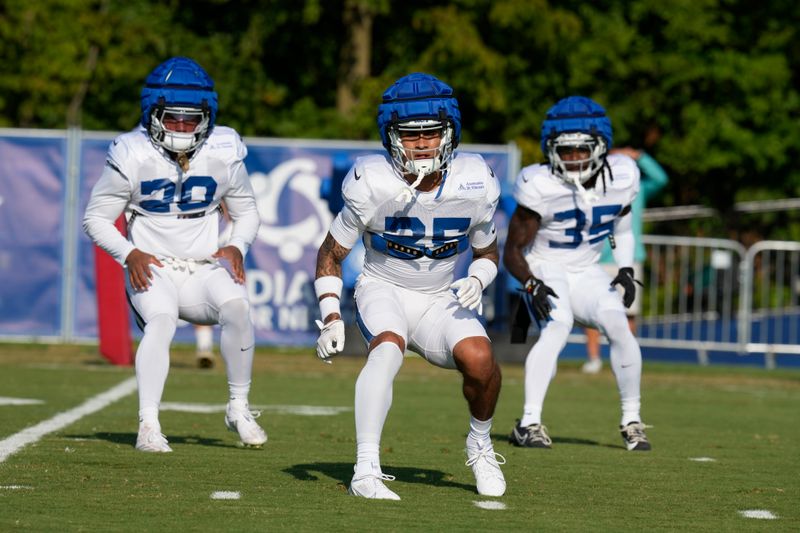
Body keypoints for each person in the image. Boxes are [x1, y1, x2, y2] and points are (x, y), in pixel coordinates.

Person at [314, 73, 506, 499]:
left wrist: (478, 277)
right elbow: (330, 253)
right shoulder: (373, 181)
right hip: (384, 287)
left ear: (449, 134)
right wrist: (330, 316)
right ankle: (365, 470)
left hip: (440, 297)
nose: (421, 144)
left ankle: (480, 442)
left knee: (481, 360)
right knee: (387, 348)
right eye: (410, 135)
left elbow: (488, 253)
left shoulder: (474, 182)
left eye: (431, 134)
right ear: (391, 137)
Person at [83, 56, 267, 452]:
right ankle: (148, 424)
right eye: (172, 119)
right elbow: (95, 219)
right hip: (153, 267)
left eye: (191, 119)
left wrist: (237, 244)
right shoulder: (132, 154)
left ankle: (238, 407)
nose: (182, 128)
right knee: (162, 322)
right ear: (153, 115)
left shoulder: (223, 149)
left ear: (207, 118)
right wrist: (129, 253)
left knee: (238, 308)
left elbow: (247, 210)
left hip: (203, 266)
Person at [503, 95, 651, 451]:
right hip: (544, 264)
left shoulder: (623, 176)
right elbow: (512, 250)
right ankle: (529, 422)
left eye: (581, 150)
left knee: (617, 322)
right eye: (564, 151)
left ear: (600, 147)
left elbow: (625, 229)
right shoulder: (539, 183)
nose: (573, 158)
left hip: (586, 268)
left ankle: (632, 419)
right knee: (558, 324)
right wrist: (530, 283)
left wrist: (626, 268)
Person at [582, 147, 668, 374]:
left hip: (628, 259)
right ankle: (594, 358)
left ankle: (625, 358)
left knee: (628, 311)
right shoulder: (595, 187)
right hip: (597, 258)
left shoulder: (636, 190)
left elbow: (661, 179)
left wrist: (639, 156)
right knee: (593, 311)